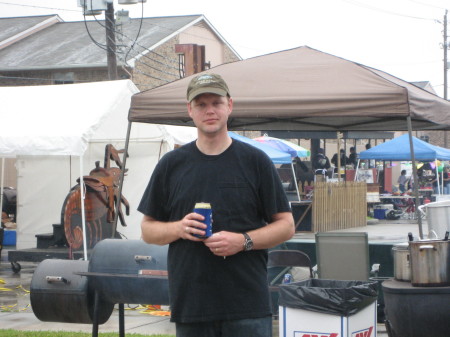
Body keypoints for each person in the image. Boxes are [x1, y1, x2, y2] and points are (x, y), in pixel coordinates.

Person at [138, 73, 295, 337]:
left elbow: (286, 226)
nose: (209, 110)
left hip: (247, 306)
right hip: (192, 306)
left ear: (229, 105)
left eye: (216, 102)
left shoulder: (255, 161)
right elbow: (147, 231)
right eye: (201, 104)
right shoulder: (171, 164)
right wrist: (179, 228)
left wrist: (243, 240)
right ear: (190, 110)